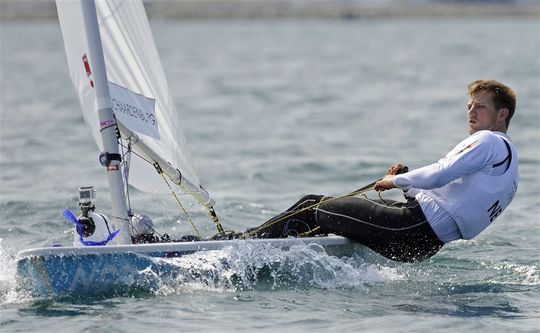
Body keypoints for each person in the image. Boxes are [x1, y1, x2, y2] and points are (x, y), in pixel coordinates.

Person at [240, 80, 519, 262]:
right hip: (423, 246)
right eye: (469, 106)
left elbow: (439, 175)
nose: (471, 112)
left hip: (409, 227)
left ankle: (240, 246)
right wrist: (409, 186)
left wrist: (395, 180)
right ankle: (273, 253)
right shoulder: (511, 167)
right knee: (328, 218)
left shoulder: (488, 141)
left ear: (502, 114)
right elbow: (452, 204)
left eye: (480, 107)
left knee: (313, 205)